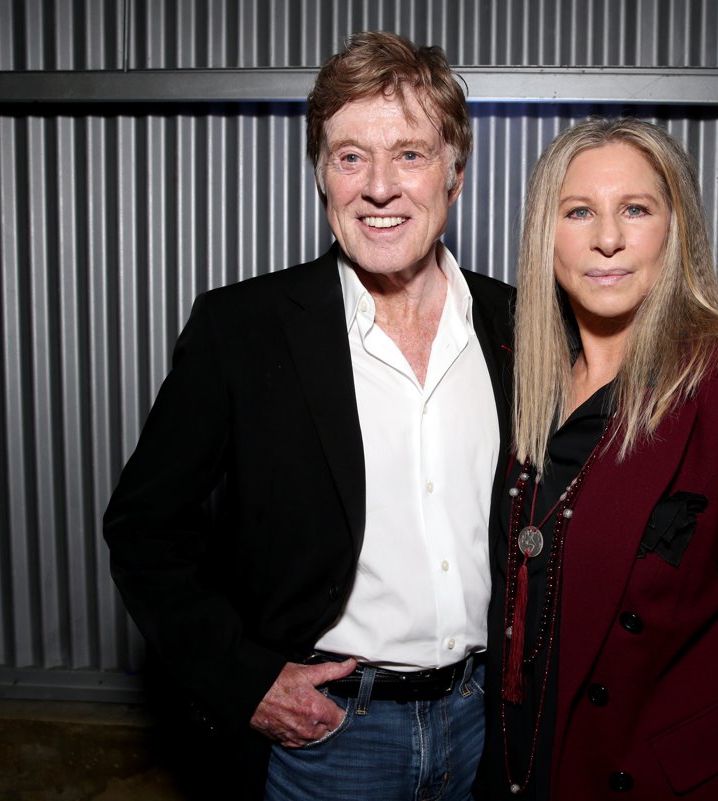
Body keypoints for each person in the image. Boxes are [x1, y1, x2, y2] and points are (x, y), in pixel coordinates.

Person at [104, 31, 514, 801]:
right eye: (351, 155)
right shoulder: (243, 329)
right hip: (331, 741)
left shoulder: (518, 328)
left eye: (412, 154)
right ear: (322, 174)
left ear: (456, 174)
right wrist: (245, 679)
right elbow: (144, 525)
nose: (380, 187)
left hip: (488, 727)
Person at [477, 118, 718, 799]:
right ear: (547, 236)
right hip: (525, 768)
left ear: (675, 227)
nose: (607, 238)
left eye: (635, 209)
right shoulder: (525, 382)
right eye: (578, 211)